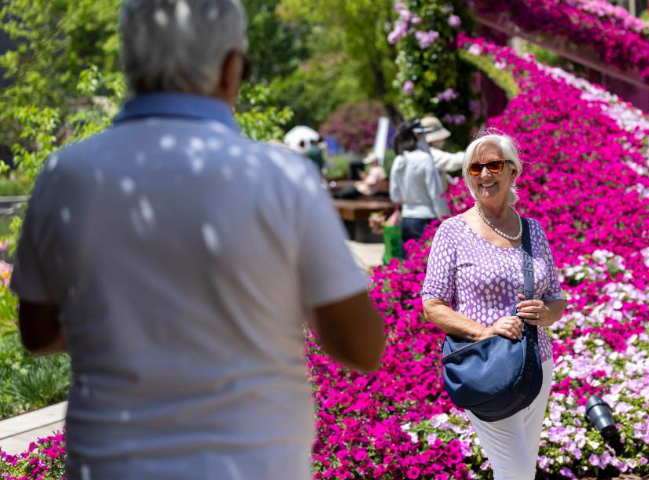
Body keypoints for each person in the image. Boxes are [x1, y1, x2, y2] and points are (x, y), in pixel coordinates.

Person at [10, 1, 385, 479]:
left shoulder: (66, 174)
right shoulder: (279, 177)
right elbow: (361, 348)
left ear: (129, 64)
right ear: (231, 68)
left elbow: (38, 334)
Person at [420, 133, 567, 480]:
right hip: (486, 368)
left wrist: (546, 314)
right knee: (515, 472)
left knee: (520, 470)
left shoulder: (533, 230)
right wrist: (486, 331)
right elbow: (432, 305)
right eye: (475, 167)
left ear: (513, 171)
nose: (484, 174)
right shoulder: (452, 232)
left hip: (537, 364)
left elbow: (557, 298)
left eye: (494, 165)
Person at [389, 120, 450, 246]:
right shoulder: (425, 159)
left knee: (408, 263)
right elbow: (436, 193)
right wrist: (446, 220)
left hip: (406, 219)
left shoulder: (399, 160)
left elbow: (395, 196)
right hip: (424, 219)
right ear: (417, 135)